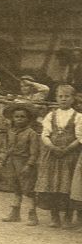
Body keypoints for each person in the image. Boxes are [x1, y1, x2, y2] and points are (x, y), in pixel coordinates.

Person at [34, 84, 82, 229]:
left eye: (67, 96)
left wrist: (67, 149)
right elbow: (45, 134)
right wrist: (52, 147)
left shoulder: (78, 116)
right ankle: (55, 216)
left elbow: (80, 137)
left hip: (70, 156)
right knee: (52, 185)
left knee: (68, 186)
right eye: (60, 96)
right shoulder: (51, 115)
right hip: (53, 155)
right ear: (56, 98)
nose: (63, 99)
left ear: (73, 99)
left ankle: (67, 217)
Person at [0, 102, 40, 226]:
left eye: (23, 117)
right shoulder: (10, 132)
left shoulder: (31, 133)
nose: (19, 119)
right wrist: (4, 160)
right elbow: (7, 147)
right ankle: (15, 213)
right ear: (12, 118)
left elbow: (34, 152)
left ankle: (32, 214)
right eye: (17, 117)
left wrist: (29, 165)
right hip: (12, 163)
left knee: (28, 190)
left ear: (28, 119)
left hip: (25, 163)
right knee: (16, 188)